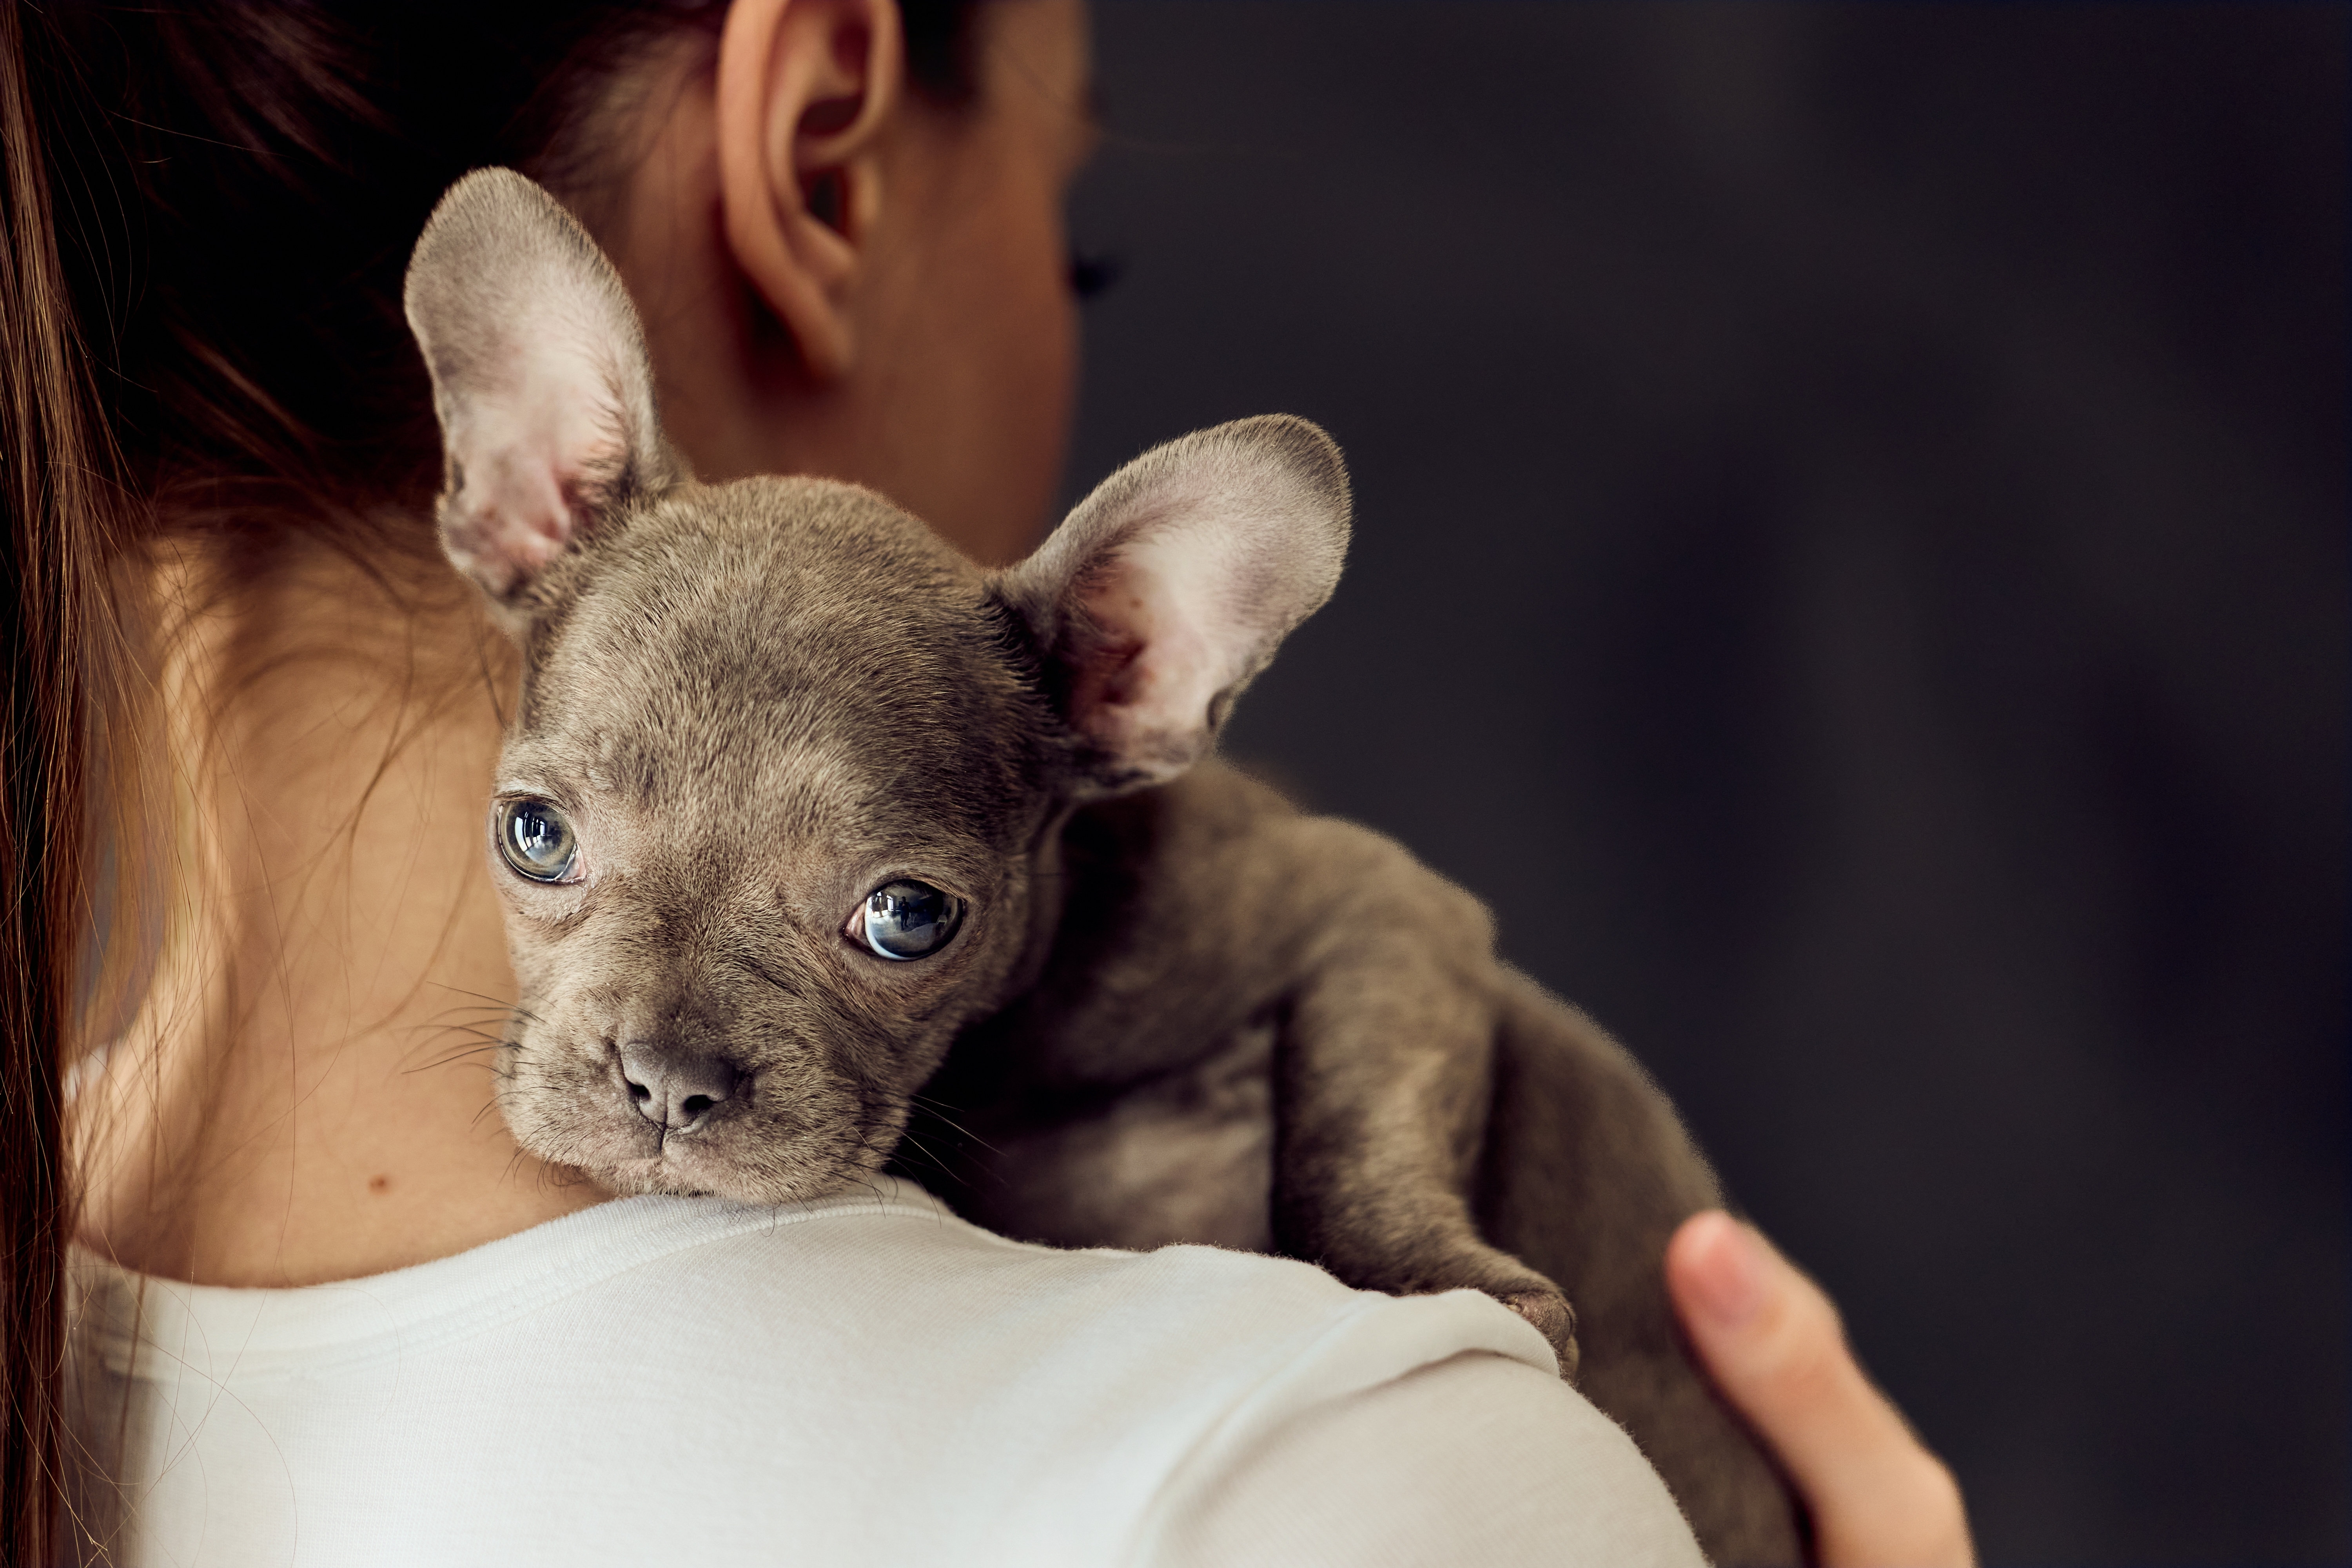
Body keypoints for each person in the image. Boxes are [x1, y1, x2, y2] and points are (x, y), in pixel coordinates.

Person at [0, 0, 1971, 1562]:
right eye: (1075, 234)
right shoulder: (1306, 1473)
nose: (672, 1063)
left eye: (889, 913)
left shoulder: (44, 1323)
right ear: (819, 141)